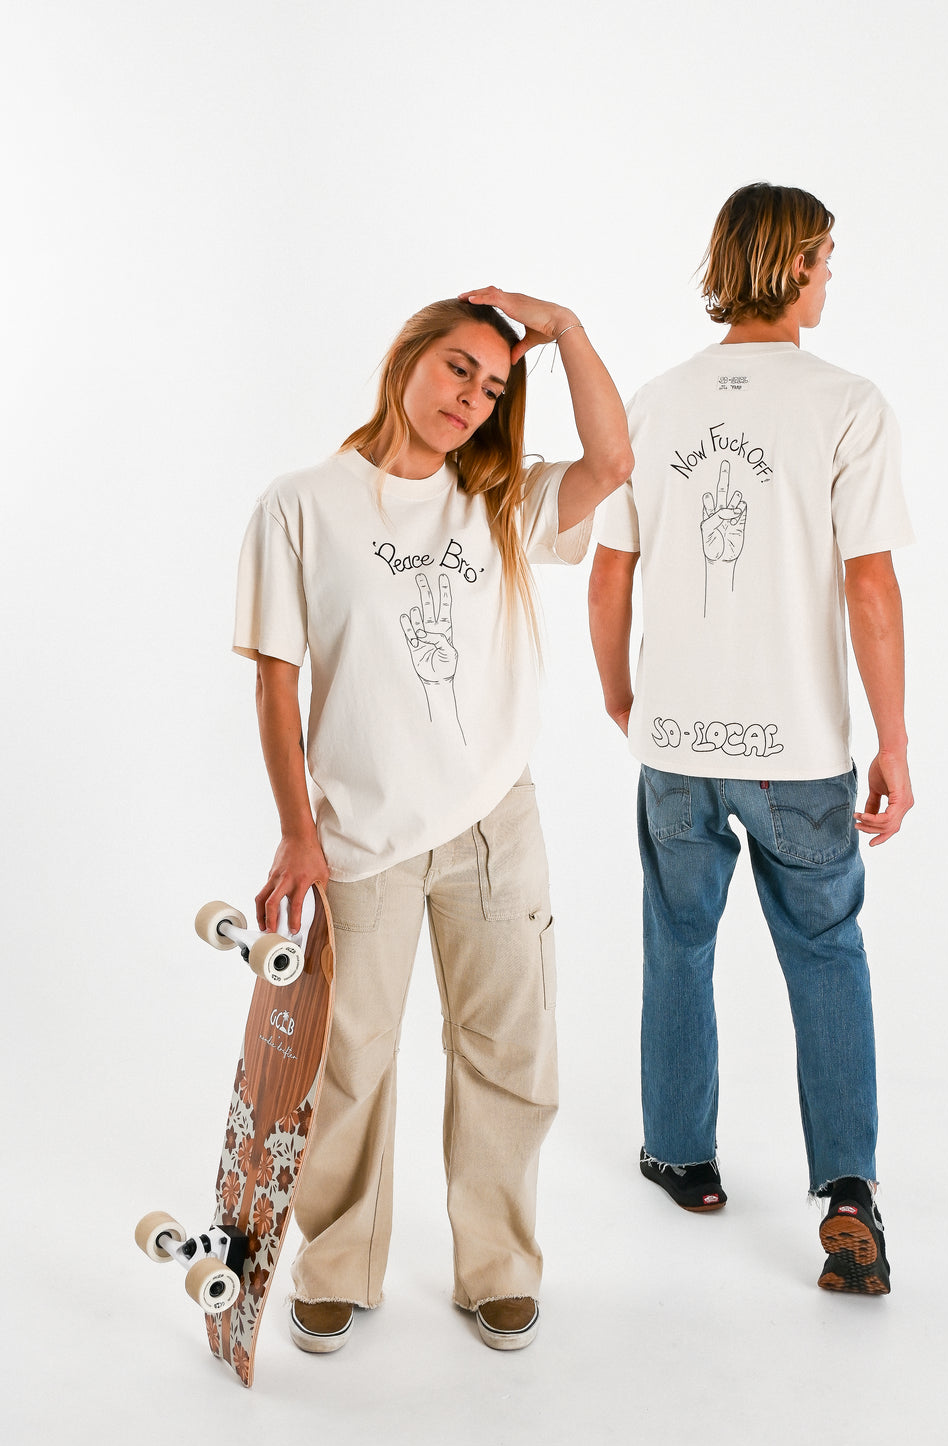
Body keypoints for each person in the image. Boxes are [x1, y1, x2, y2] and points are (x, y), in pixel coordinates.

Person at [233, 288, 632, 1352]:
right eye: (458, 368)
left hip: (495, 818)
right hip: (359, 833)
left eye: (495, 386)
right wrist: (294, 829)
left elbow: (611, 465)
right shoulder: (302, 504)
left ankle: (496, 1265)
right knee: (346, 1057)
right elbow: (277, 683)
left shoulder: (495, 498)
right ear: (407, 357)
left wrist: (571, 333)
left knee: (507, 1046)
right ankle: (336, 1261)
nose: (471, 398)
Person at [588, 184, 913, 1295]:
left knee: (677, 939)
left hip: (675, 738)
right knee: (823, 949)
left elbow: (610, 571)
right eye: (826, 257)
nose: (833, 276)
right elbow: (868, 586)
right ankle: (849, 1190)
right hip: (797, 750)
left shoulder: (652, 400)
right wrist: (894, 739)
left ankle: (682, 1155)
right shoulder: (846, 404)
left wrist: (622, 696)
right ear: (791, 263)